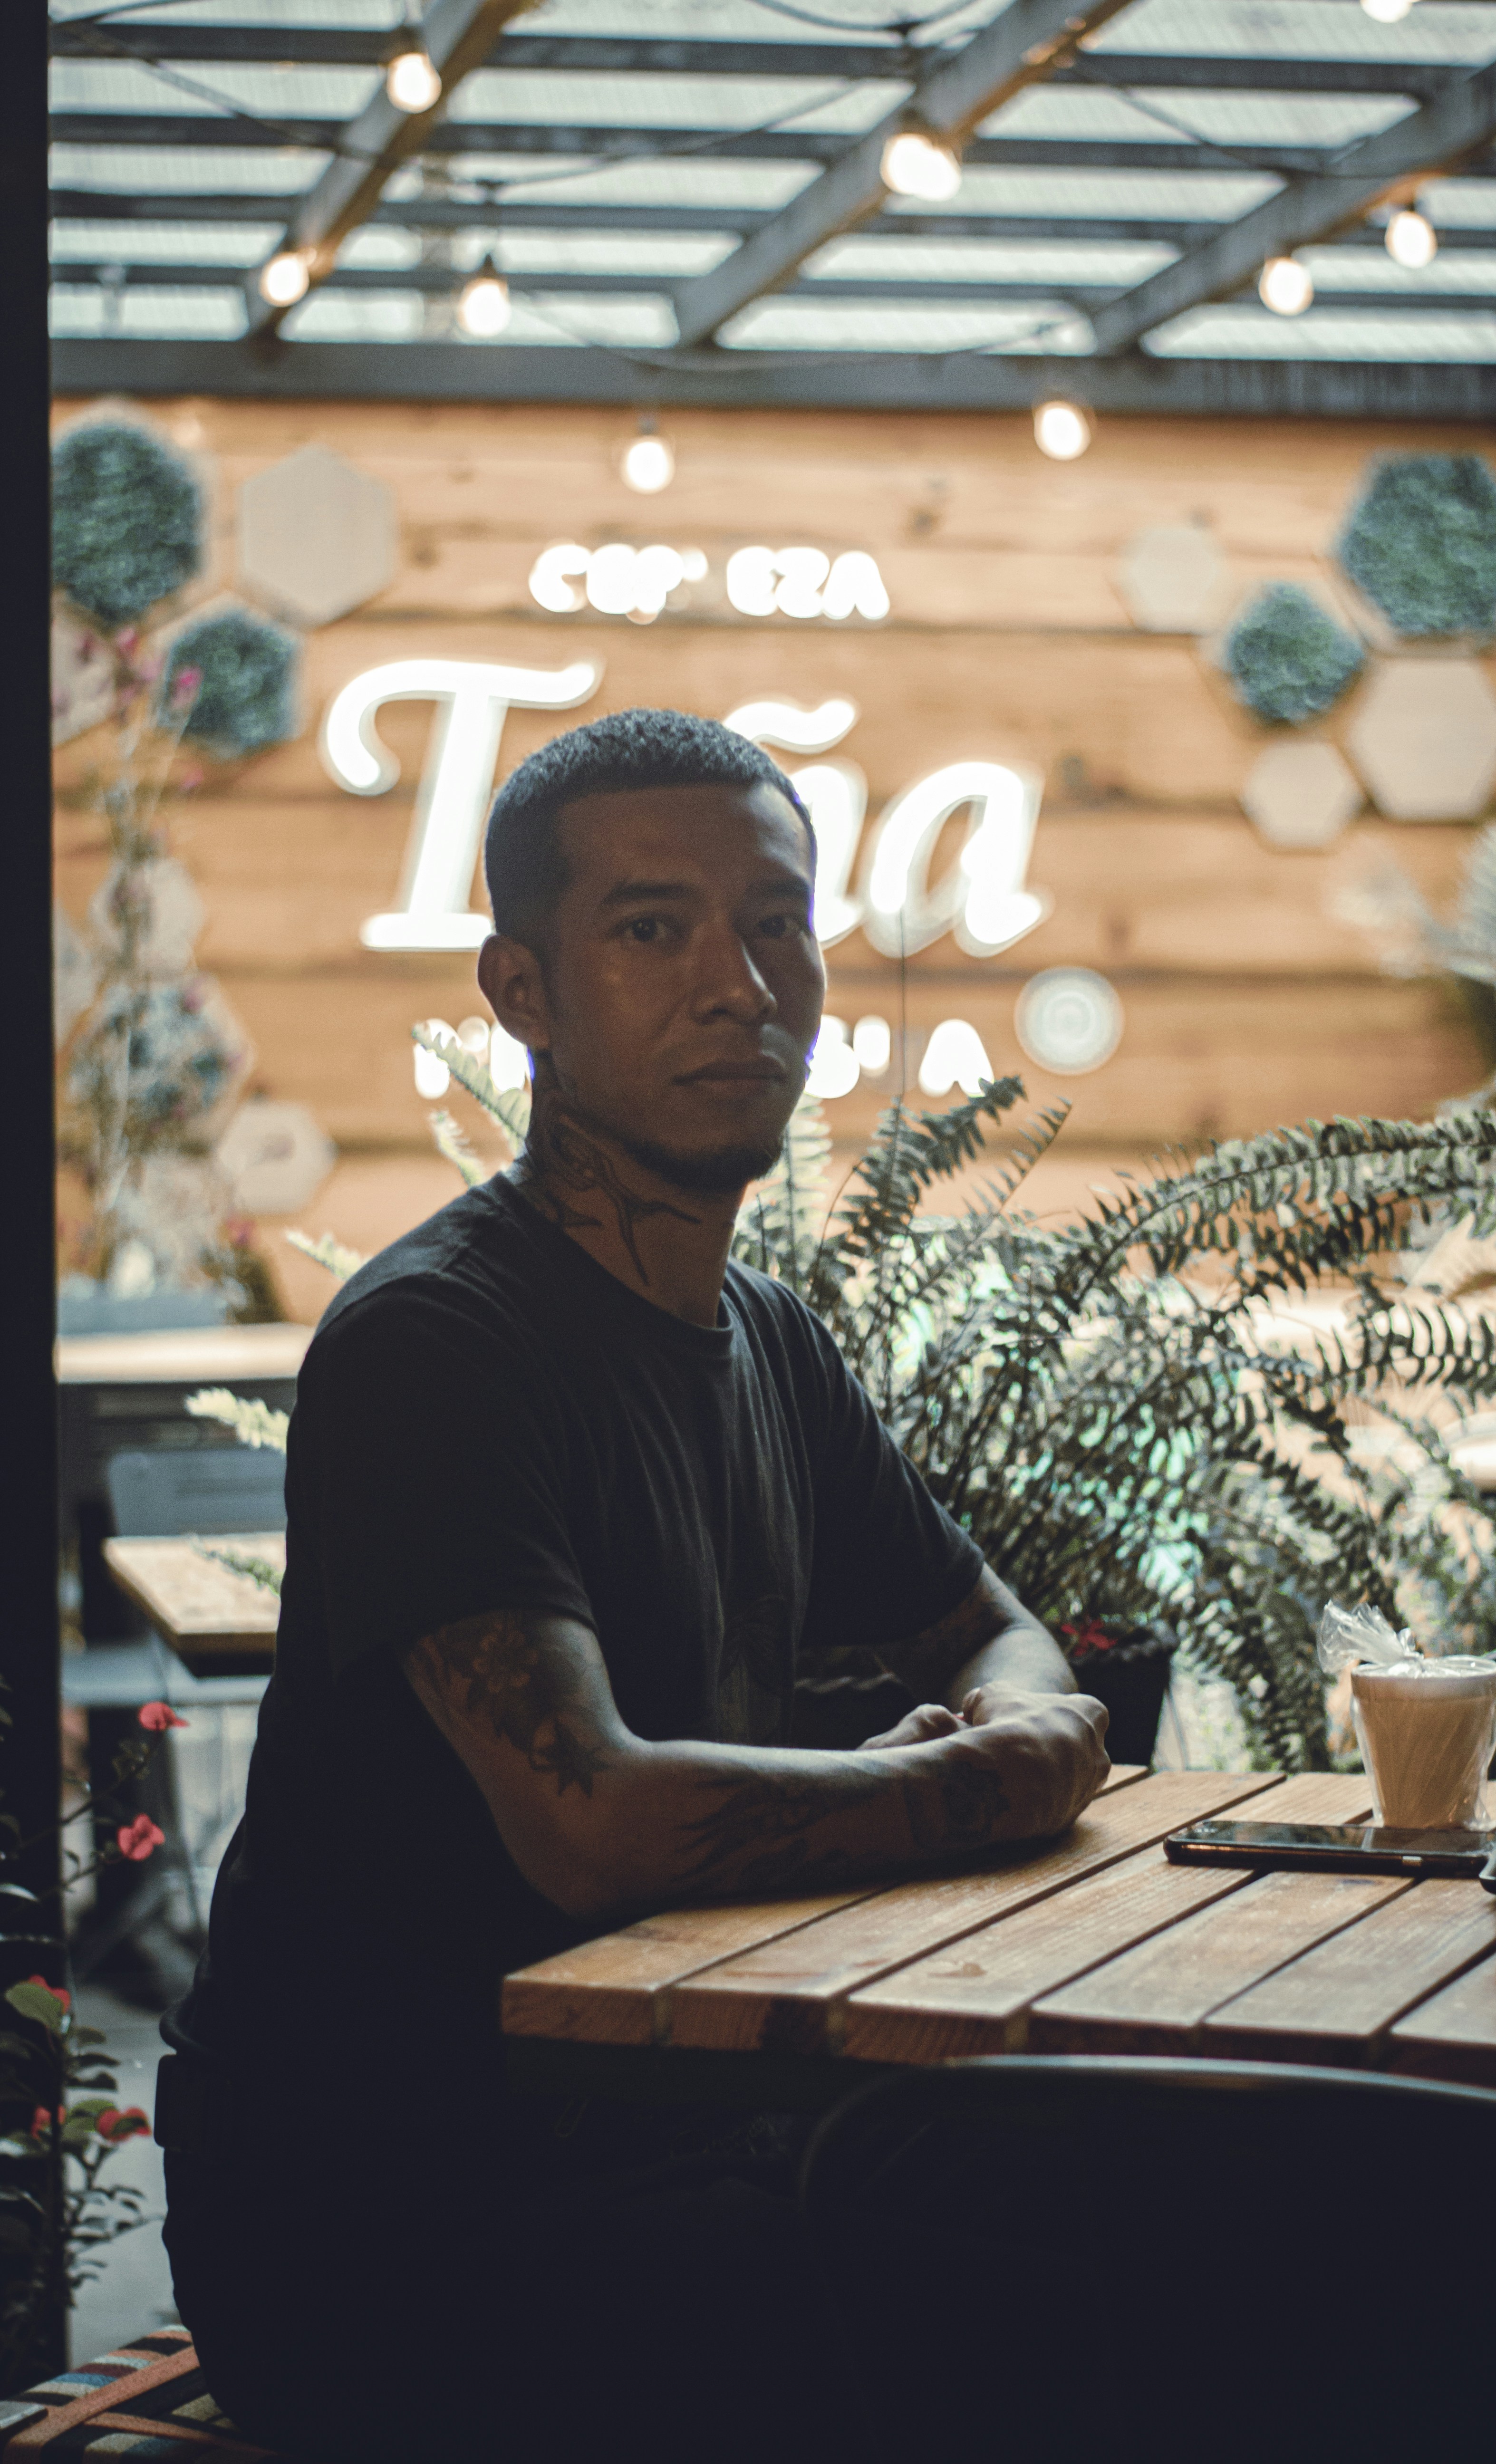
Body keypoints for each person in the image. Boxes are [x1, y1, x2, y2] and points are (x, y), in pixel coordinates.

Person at [158, 708, 1110, 2461]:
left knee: (1162, 2223)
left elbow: (992, 1630)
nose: (738, 987)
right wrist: (986, 1779)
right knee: (1024, 2321)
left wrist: (1020, 1721)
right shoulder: (436, 1343)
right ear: (520, 992)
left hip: (669, 2136)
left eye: (776, 923)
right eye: (653, 929)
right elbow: (588, 1823)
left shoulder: (770, 1340)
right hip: (389, 2218)